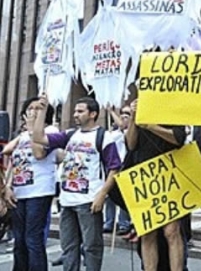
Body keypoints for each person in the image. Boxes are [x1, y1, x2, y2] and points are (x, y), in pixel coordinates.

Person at [32, 95, 121, 271]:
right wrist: (41, 112)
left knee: (91, 247)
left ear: (93, 114)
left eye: (80, 111)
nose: (75, 114)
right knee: (69, 247)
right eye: (75, 111)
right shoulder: (69, 135)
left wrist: (102, 194)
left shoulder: (104, 137)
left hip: (89, 201)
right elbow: (38, 138)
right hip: (67, 201)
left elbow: (115, 168)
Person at [126, 98, 187, 271]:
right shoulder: (140, 107)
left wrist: (151, 126)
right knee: (147, 232)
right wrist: (133, 117)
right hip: (145, 177)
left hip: (169, 175)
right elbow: (131, 144)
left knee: (172, 231)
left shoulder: (173, 106)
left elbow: (178, 138)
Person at [3, 97, 57, 271]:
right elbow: (11, 155)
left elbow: (39, 153)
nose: (33, 112)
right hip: (19, 191)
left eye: (38, 108)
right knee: (19, 240)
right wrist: (8, 187)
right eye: (30, 108)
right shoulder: (22, 135)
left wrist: (34, 129)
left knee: (32, 238)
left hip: (38, 191)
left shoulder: (50, 130)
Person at [103, 106, 132, 235]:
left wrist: (110, 111)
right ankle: (109, 222)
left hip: (127, 166)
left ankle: (124, 223)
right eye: (122, 114)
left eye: (127, 114)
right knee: (110, 197)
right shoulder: (113, 134)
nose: (124, 117)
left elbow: (122, 126)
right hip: (113, 167)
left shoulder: (130, 132)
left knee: (124, 196)